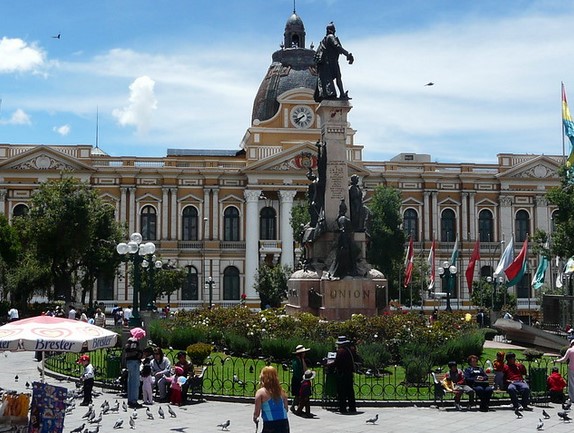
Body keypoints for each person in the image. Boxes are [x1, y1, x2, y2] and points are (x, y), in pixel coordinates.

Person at [314, 22, 354, 101]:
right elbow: (337, 47)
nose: (335, 31)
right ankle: (342, 94)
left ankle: (340, 94)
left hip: (327, 64)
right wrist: (348, 54)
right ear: (330, 30)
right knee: (338, 77)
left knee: (337, 77)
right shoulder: (331, 37)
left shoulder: (324, 40)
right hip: (331, 63)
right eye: (333, 29)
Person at [253, 366, 290, 433]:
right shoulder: (282, 391)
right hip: (284, 422)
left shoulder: (261, 392)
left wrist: (255, 418)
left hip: (270, 424)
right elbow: (286, 409)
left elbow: (257, 413)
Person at [332, 335, 357, 413]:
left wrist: (329, 365)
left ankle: (343, 408)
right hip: (349, 373)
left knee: (341, 392)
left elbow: (337, 362)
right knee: (350, 391)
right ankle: (352, 407)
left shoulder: (341, 351)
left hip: (342, 374)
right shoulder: (350, 350)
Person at [124, 327, 145, 409]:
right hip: (134, 362)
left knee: (130, 381)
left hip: (129, 362)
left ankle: (130, 399)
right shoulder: (134, 341)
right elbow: (134, 352)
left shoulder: (129, 341)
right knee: (135, 382)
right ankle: (134, 400)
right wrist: (140, 354)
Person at [290, 345, 309, 412]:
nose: (304, 354)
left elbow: (305, 369)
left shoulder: (301, 360)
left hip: (301, 379)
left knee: (299, 394)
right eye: (303, 352)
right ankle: (294, 406)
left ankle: (296, 406)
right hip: (297, 380)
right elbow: (297, 372)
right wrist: (301, 378)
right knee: (297, 394)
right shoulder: (295, 361)